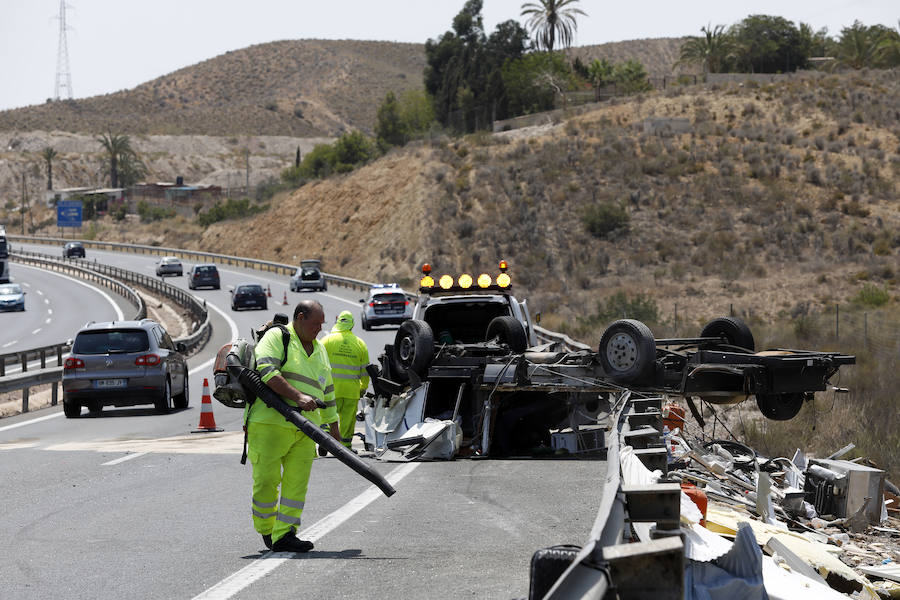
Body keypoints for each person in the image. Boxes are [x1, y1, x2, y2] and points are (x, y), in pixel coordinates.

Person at [246, 299, 338, 553]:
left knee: (296, 484)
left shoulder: (319, 350)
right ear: (299, 317)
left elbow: (328, 391)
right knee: (266, 481)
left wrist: (333, 427)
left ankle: (285, 534)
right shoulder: (278, 336)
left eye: (322, 324)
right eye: (315, 323)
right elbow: (265, 369)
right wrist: (298, 397)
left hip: (308, 429)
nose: (319, 329)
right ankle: (267, 529)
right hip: (270, 424)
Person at [321, 310, 370, 454]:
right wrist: (363, 387)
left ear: (338, 322)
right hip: (351, 390)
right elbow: (365, 370)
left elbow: (318, 365)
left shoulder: (327, 340)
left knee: (328, 416)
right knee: (347, 420)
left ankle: (324, 440)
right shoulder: (360, 343)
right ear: (352, 325)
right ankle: (346, 448)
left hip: (330, 390)